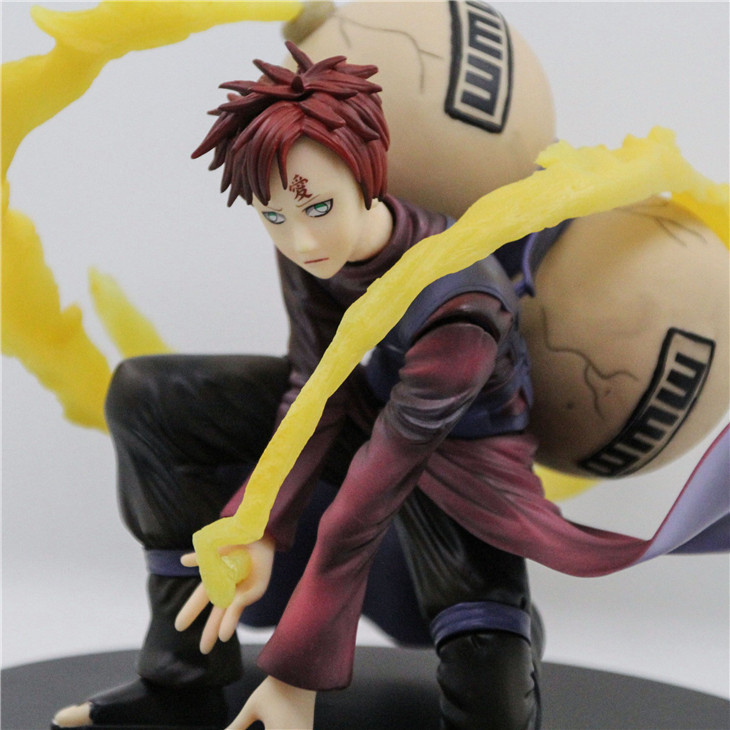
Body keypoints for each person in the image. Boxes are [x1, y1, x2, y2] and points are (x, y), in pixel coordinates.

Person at [53, 42, 545, 730]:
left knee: (490, 701)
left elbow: (375, 485)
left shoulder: (462, 300)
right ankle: (183, 679)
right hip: (367, 422)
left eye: (318, 207)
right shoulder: (314, 253)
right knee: (149, 394)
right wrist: (252, 522)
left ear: (367, 170)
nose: (302, 240)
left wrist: (296, 673)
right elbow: (316, 387)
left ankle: (502, 628)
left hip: (459, 474)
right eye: (275, 216)